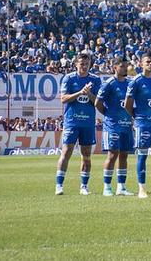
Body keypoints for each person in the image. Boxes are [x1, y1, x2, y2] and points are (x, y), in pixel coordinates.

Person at [55, 52, 101, 195]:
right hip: (72, 122)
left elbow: (98, 102)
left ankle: (84, 186)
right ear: (76, 64)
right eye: (81, 64)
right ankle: (59, 185)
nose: (84, 66)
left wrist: (89, 94)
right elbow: (63, 98)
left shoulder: (96, 80)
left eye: (87, 64)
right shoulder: (68, 78)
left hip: (87, 123)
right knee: (66, 152)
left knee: (86, 155)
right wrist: (80, 92)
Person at [124, 50, 151, 198]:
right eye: (147, 61)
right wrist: (136, 117)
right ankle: (142, 188)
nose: (150, 64)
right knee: (142, 155)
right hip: (143, 124)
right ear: (141, 63)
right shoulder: (136, 81)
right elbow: (127, 104)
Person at [95, 57, 134, 197]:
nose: (125, 68)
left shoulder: (130, 83)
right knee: (112, 155)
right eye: (122, 66)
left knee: (124, 155)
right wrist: (108, 114)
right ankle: (107, 187)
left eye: (126, 66)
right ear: (115, 67)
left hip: (126, 125)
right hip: (112, 126)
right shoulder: (108, 84)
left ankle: (121, 187)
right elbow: (98, 103)